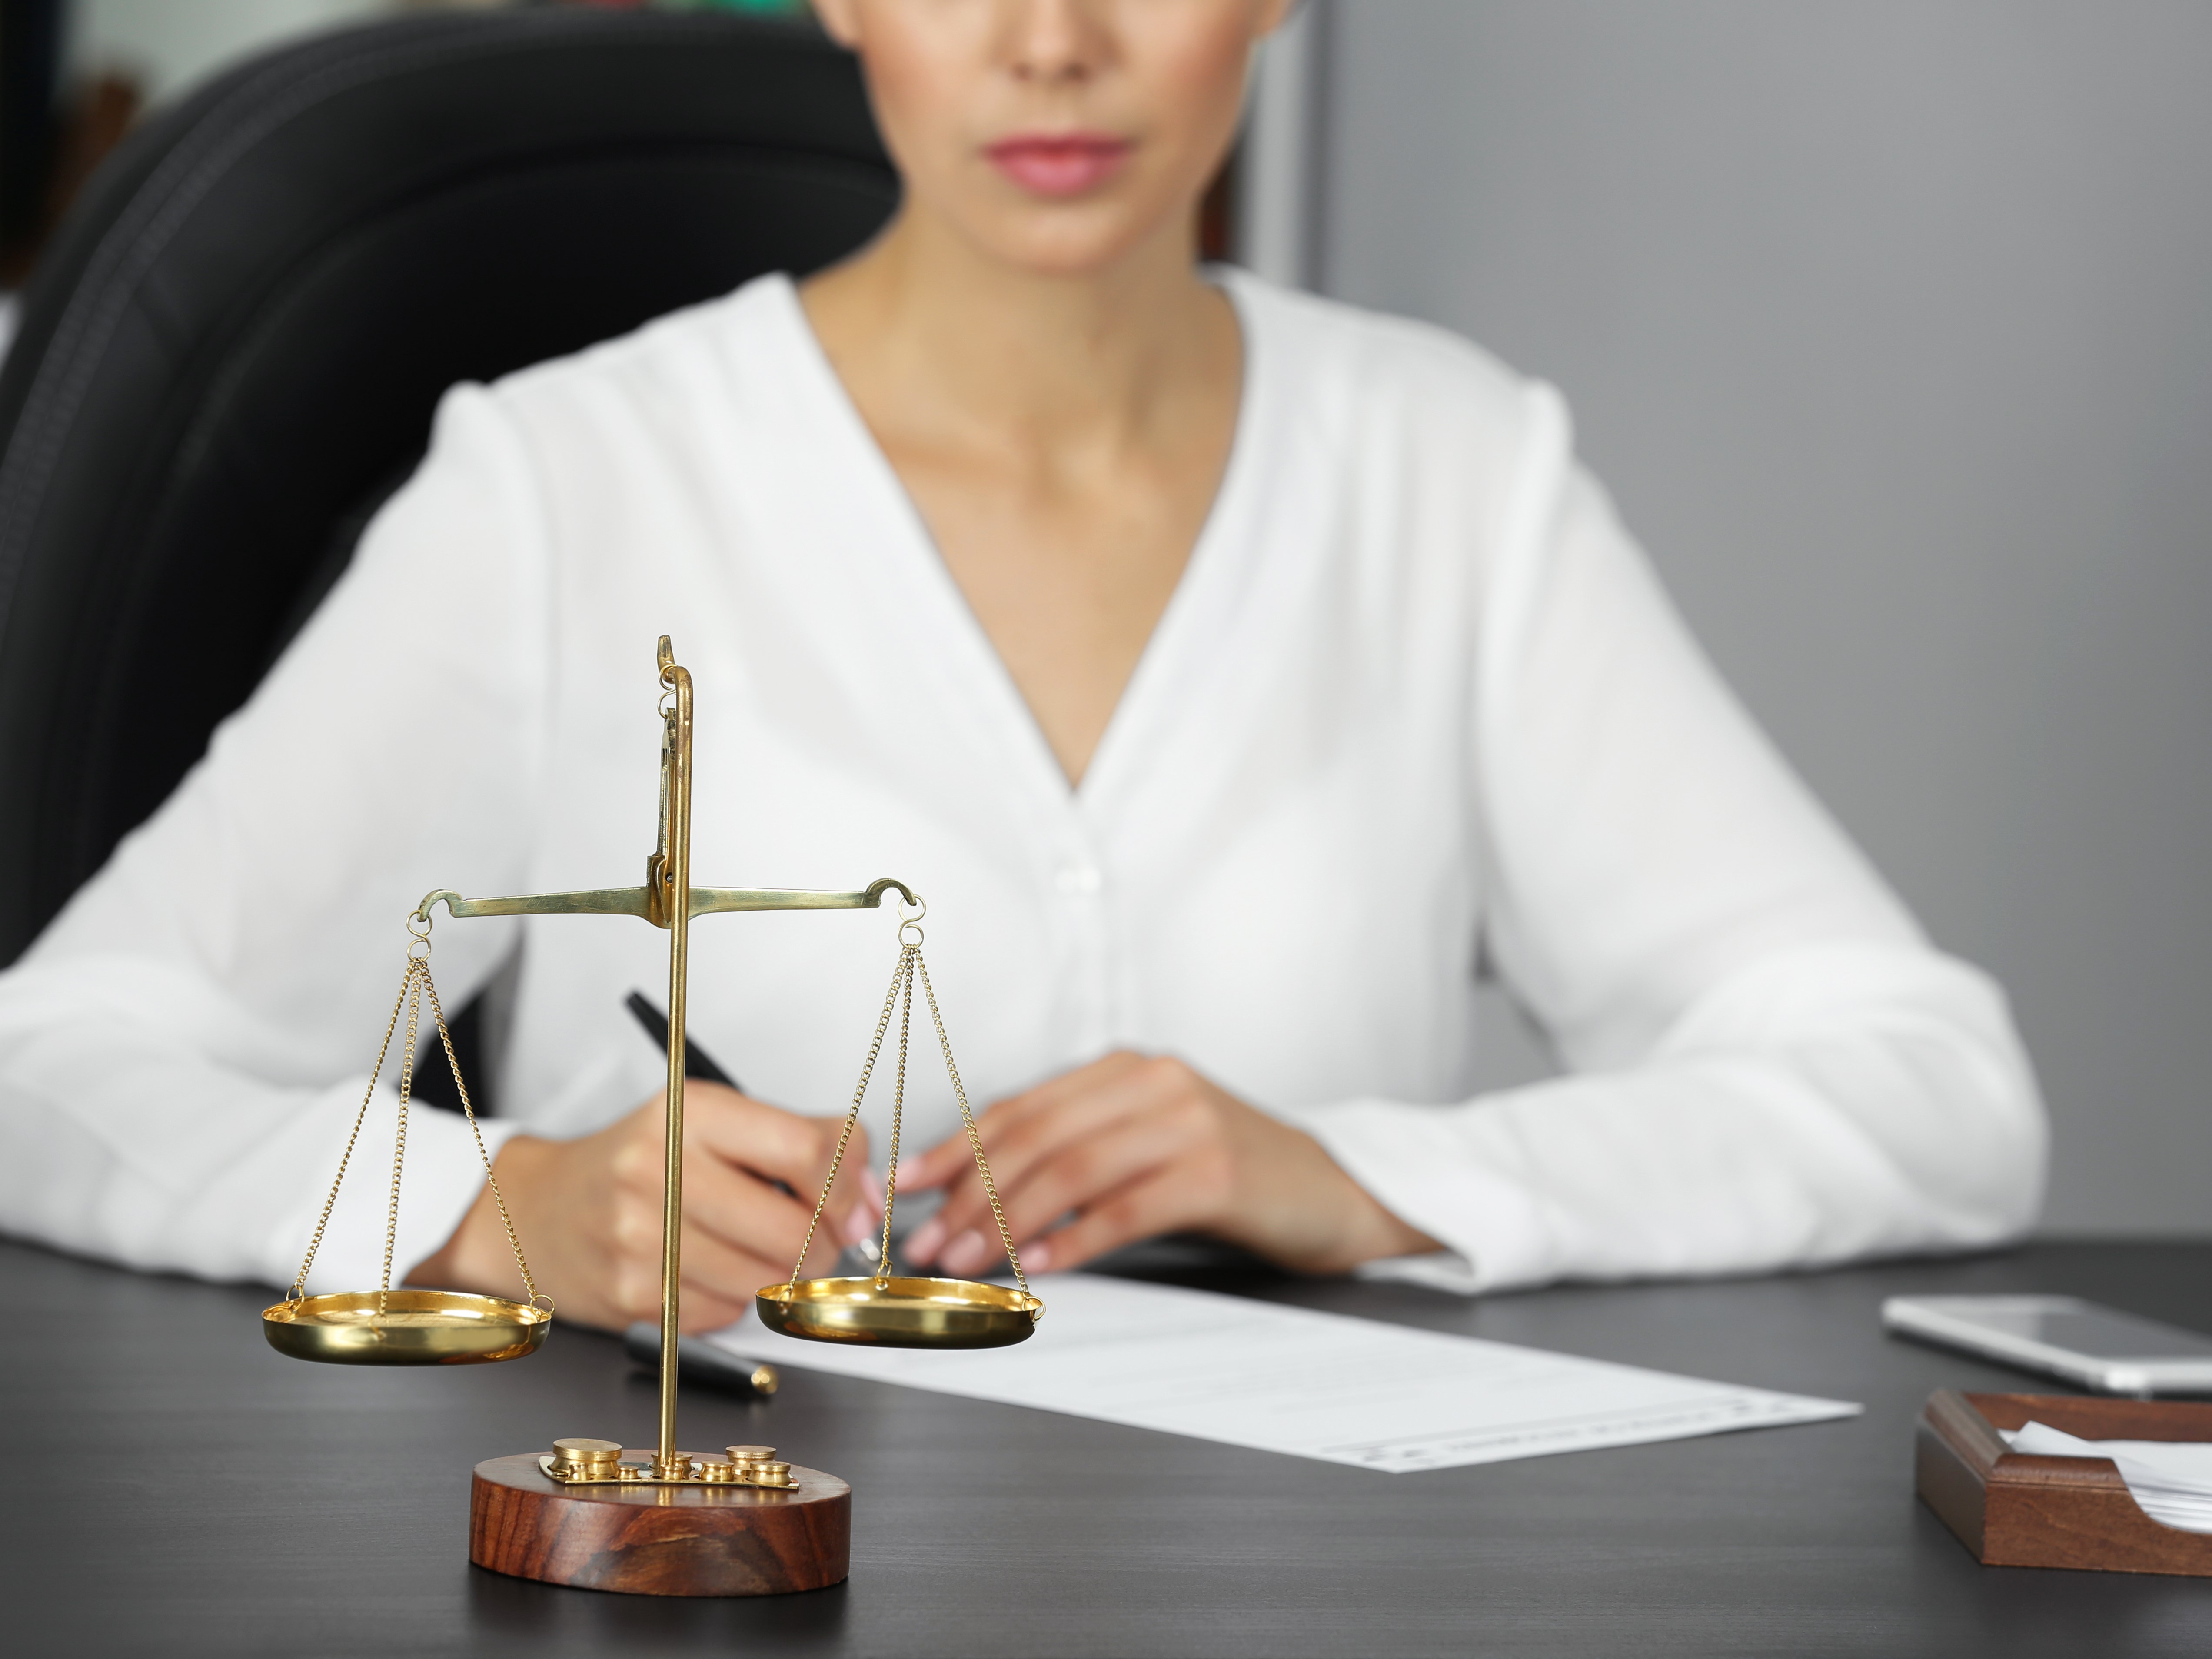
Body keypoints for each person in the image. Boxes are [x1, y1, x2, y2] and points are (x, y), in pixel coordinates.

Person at [0, 0, 2045, 1333]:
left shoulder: (1449, 473)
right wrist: (506, 1207)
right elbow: (54, 1067)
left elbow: (1931, 1090)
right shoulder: (567, 482)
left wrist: (1365, 1175)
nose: (1052, 44)